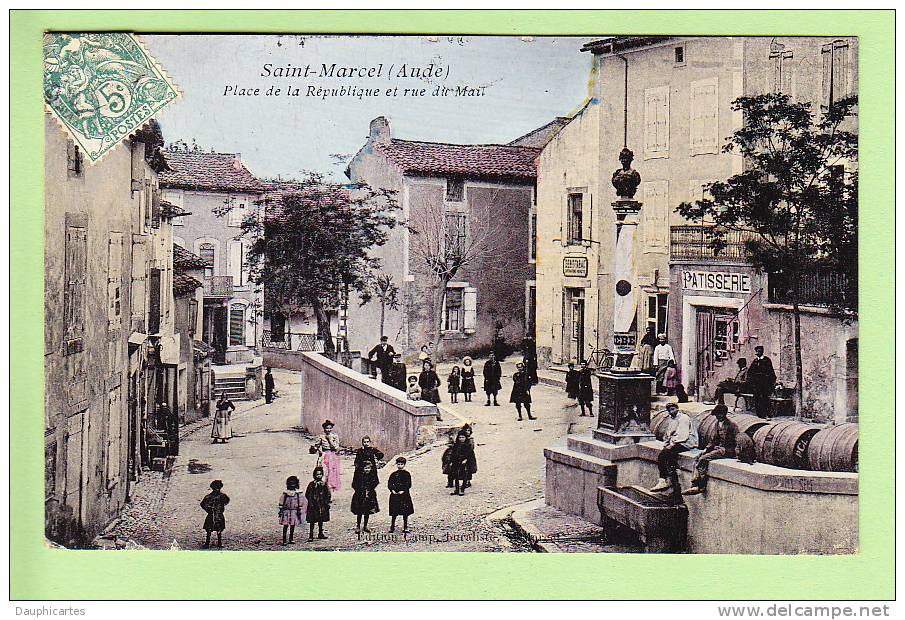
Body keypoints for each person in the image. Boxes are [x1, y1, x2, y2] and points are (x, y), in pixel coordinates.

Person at [682, 404, 738, 495]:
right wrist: (706, 449)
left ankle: (701, 485)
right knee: (698, 457)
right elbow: (713, 439)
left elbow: (737, 440)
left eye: (720, 414)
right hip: (718, 448)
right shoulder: (717, 424)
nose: (718, 416)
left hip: (727, 450)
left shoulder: (732, 425)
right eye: (717, 415)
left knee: (703, 459)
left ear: (724, 414)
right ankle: (694, 483)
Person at [649, 402, 699, 494]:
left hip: (687, 442)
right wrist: (667, 443)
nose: (671, 412)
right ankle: (672, 474)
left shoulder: (683, 418)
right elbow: (668, 434)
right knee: (666, 454)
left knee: (664, 454)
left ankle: (664, 479)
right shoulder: (672, 419)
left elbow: (682, 436)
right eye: (669, 410)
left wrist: (671, 444)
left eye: (673, 409)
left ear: (677, 409)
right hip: (678, 442)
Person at [747, 346, 777, 419]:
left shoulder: (766, 360)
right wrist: (752, 380)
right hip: (757, 384)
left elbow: (770, 371)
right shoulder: (755, 361)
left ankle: (766, 414)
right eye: (757, 351)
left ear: (762, 352)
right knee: (757, 398)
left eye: (760, 351)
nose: (758, 353)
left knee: (765, 398)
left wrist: (770, 382)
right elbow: (750, 372)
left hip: (765, 384)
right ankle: (759, 414)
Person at [312, 420, 341, 492]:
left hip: (332, 455)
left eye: (330, 428)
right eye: (327, 428)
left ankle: (329, 489)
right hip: (324, 455)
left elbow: (336, 447)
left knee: (332, 472)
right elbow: (317, 445)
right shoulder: (321, 436)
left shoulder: (334, 436)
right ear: (324, 429)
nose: (328, 430)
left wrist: (330, 440)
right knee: (324, 471)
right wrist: (318, 450)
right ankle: (322, 487)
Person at [351, 460, 379, 534]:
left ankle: (365, 526)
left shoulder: (372, 475)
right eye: (365, 468)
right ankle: (358, 526)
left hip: (369, 495)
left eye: (368, 468)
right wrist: (360, 490)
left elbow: (376, 482)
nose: (367, 470)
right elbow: (354, 484)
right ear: (362, 468)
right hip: (360, 495)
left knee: (367, 511)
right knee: (359, 511)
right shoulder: (359, 476)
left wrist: (370, 489)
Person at [387, 457, 414, 533]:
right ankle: (392, 527)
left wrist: (403, 490)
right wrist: (392, 490)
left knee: (405, 512)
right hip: (394, 495)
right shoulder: (393, 474)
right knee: (394, 512)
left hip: (404, 495)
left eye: (401, 464)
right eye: (398, 464)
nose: (400, 466)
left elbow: (408, 484)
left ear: (404, 465)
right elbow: (390, 483)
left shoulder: (407, 474)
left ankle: (405, 527)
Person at [200, 479, 230, 549]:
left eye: (218, 488)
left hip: (219, 515)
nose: (217, 490)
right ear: (212, 488)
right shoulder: (208, 497)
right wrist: (207, 509)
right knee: (208, 529)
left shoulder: (223, 496)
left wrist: (221, 507)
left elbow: (227, 501)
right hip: (211, 515)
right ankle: (207, 543)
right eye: (215, 488)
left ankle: (219, 542)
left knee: (219, 529)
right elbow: (202, 504)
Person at [305, 466, 331, 541]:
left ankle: (320, 533)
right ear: (314, 475)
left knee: (321, 519)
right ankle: (311, 534)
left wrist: (326, 502)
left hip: (322, 504)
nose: (318, 476)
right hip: (313, 505)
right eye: (317, 474)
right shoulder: (311, 484)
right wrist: (310, 502)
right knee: (312, 520)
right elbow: (308, 494)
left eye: (320, 474)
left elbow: (328, 494)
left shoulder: (324, 484)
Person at [278, 475, 305, 545]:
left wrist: (299, 509)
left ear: (296, 484)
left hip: (294, 511)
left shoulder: (298, 493)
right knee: (285, 525)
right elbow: (282, 501)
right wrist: (281, 509)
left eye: (294, 483)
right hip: (286, 511)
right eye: (290, 483)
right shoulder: (285, 493)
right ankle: (284, 539)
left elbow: (300, 502)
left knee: (292, 525)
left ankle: (291, 538)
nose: (292, 485)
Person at [448, 431, 474, 496]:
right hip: (456, 461)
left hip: (465, 462)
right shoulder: (456, 445)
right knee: (455, 476)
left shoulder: (468, 445)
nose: (461, 439)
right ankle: (456, 490)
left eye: (463, 437)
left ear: (465, 438)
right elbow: (453, 453)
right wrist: (451, 461)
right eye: (460, 437)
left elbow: (470, 454)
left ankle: (462, 489)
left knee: (464, 475)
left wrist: (466, 459)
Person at [462, 423, 477, 487]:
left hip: (469, 455)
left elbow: (471, 448)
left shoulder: (470, 439)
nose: (467, 432)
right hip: (462, 455)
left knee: (469, 469)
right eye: (466, 430)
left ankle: (468, 481)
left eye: (468, 430)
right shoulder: (462, 438)